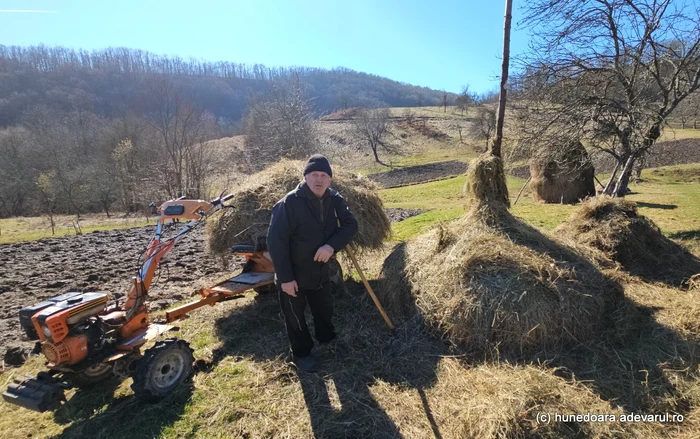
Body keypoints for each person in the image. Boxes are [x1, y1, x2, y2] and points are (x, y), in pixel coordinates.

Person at [267, 154, 359, 373]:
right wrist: (286, 278)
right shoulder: (288, 204)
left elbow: (350, 225)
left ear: (330, 179)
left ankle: (327, 338)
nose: (319, 179)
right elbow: (276, 243)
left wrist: (330, 246)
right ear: (305, 177)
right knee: (295, 317)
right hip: (293, 272)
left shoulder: (334, 199)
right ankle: (302, 353)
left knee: (324, 308)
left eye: (324, 175)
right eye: (314, 174)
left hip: (319, 270)